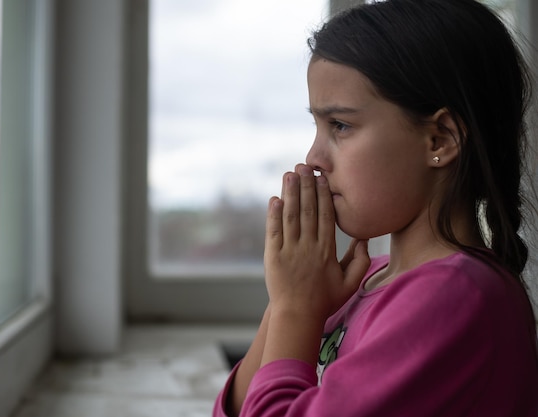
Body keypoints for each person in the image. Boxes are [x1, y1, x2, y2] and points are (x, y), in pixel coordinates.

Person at [212, 0, 538, 416]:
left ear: (439, 140)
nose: (313, 158)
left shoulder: (452, 296)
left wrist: (295, 308)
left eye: (341, 126)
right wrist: (289, 301)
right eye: (317, 125)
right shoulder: (359, 284)